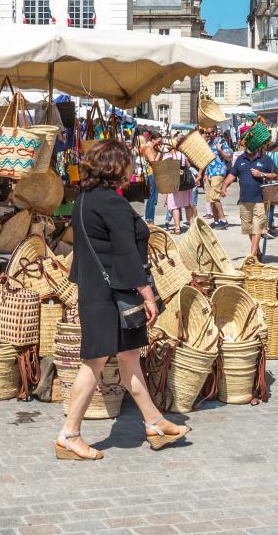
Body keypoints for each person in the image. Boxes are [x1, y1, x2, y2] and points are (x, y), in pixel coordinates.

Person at [57, 139, 190, 461]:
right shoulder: (111, 203)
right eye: (128, 162)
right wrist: (148, 293)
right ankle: (68, 435)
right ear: (116, 167)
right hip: (111, 293)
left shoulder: (84, 199)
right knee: (95, 361)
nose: (132, 168)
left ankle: (154, 422)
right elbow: (126, 251)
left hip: (98, 288)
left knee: (129, 355)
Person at [221, 120, 278, 259]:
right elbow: (232, 174)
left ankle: (252, 255)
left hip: (260, 200)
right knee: (248, 229)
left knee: (258, 227)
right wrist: (224, 186)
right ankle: (257, 251)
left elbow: (276, 174)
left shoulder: (265, 159)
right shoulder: (241, 158)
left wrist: (262, 174)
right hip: (244, 200)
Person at [199, 128, 231, 229]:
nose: (208, 134)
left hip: (218, 172)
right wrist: (205, 173)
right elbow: (208, 159)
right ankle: (216, 221)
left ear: (215, 132)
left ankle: (223, 220)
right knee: (210, 199)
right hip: (210, 173)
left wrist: (220, 150)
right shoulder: (209, 143)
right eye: (206, 133)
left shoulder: (221, 142)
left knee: (215, 197)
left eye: (210, 132)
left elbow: (229, 157)